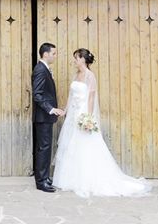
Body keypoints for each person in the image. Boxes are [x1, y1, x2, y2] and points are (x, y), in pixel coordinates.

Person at [52, 48, 151, 198]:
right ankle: (71, 179)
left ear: (83, 59)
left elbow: (91, 98)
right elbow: (71, 96)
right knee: (71, 145)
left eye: (76, 58)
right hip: (73, 114)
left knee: (85, 145)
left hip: (83, 113)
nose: (74, 61)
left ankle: (88, 180)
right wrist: (65, 110)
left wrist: (88, 118)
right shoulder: (76, 75)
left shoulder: (90, 76)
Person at [32, 42, 65, 192]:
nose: (55, 56)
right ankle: (41, 181)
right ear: (45, 54)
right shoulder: (40, 69)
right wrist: (51, 109)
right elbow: (37, 95)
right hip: (43, 116)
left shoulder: (45, 69)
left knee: (45, 147)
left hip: (45, 117)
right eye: (54, 53)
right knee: (43, 148)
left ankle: (44, 177)